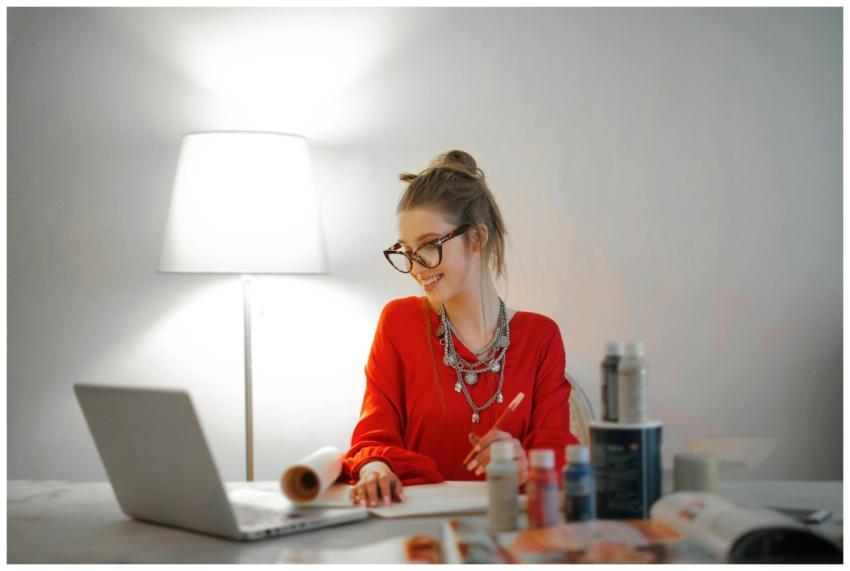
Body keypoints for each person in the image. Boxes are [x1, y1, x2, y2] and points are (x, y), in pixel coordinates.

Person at [343, 150, 579, 507]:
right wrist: (374, 468)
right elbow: (373, 437)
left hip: (509, 533)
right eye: (406, 250)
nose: (416, 268)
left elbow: (557, 448)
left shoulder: (540, 336)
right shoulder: (399, 323)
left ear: (478, 238)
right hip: (418, 535)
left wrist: (523, 460)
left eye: (429, 246)